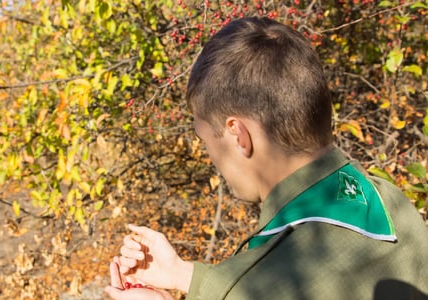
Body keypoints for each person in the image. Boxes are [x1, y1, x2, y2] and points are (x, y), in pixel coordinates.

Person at [104, 17, 428, 299]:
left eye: (205, 140)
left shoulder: (258, 284)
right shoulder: (391, 206)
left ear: (238, 135)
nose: (211, 159)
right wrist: (183, 275)